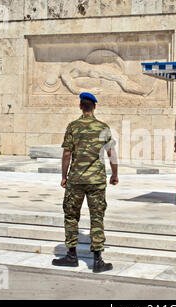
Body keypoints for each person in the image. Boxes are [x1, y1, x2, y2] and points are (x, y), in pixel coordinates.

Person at [52, 92, 118, 273]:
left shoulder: (73, 126)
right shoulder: (103, 127)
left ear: (80, 106)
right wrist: (115, 175)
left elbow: (67, 154)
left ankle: (71, 256)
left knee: (71, 216)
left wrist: (64, 176)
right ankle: (97, 261)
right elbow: (112, 154)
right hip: (96, 181)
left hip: (76, 180)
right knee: (97, 218)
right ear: (94, 107)